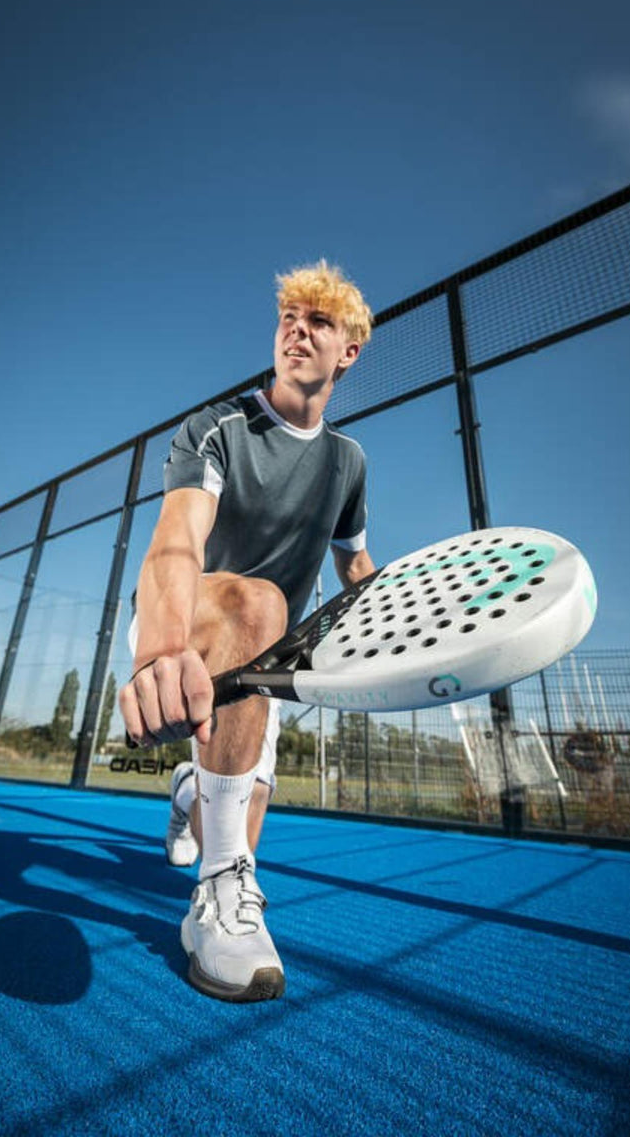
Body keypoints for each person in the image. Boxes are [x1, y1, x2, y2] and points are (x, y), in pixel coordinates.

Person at [117, 259, 376, 1003]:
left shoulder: (349, 463)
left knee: (244, 797)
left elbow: (357, 567)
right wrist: (161, 653)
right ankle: (216, 895)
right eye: (289, 318)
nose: (298, 330)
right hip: (184, 619)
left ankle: (191, 795)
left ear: (347, 352)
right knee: (256, 603)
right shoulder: (218, 429)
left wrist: (409, 625)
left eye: (319, 322)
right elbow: (175, 541)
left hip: (266, 657)